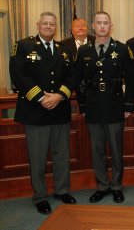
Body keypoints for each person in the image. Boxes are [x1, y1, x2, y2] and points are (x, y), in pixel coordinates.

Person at [9, 12, 77, 215]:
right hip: (35, 111)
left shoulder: (64, 49)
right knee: (38, 158)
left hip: (59, 110)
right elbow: (18, 75)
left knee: (61, 155)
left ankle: (62, 190)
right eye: (45, 23)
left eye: (52, 24)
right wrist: (41, 97)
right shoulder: (23, 46)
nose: (48, 26)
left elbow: (72, 76)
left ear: (56, 27)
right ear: (38, 24)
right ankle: (39, 196)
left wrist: (59, 96)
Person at [75, 11, 134, 204]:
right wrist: (82, 105)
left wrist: (128, 105)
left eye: (106, 23)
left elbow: (132, 79)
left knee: (116, 149)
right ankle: (102, 185)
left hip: (115, 106)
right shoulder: (84, 51)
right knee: (97, 150)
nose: (102, 26)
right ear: (93, 26)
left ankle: (117, 185)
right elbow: (79, 80)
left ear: (111, 26)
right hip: (93, 107)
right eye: (99, 23)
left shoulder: (122, 49)